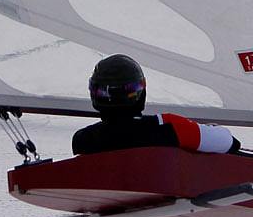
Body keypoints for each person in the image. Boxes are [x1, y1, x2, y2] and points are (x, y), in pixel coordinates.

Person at [71, 54, 240, 156]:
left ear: (95, 96)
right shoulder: (169, 128)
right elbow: (229, 143)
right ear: (140, 92)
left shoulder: (83, 140)